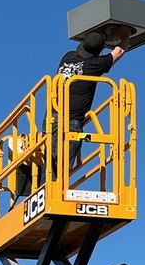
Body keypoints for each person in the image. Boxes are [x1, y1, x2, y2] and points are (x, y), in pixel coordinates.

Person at [53, 31, 127, 178]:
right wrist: (128, 31)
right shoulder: (94, 65)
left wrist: (103, 32)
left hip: (51, 118)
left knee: (50, 165)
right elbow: (119, 51)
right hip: (70, 123)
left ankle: (45, 187)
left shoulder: (67, 57)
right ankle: (51, 188)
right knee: (59, 171)